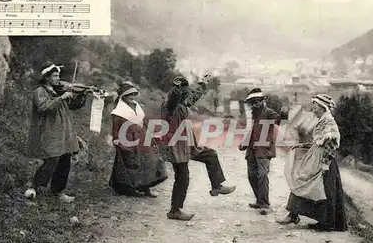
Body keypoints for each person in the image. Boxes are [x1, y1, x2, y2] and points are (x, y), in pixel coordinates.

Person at [160, 75, 236, 221]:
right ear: (179, 91)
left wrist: (202, 84)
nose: (187, 94)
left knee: (210, 154)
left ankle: (217, 185)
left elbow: (192, 96)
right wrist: (176, 88)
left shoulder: (182, 103)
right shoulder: (170, 105)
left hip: (187, 144)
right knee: (182, 177)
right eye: (184, 91)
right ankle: (174, 210)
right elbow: (173, 98)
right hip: (176, 146)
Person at [277, 94, 347, 232]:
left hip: (324, 162)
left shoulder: (329, 122)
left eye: (315, 108)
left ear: (323, 108)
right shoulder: (323, 121)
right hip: (317, 158)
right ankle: (295, 215)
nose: (313, 111)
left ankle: (326, 223)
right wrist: (302, 146)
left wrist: (325, 164)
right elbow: (318, 143)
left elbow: (332, 144)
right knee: (305, 183)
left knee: (321, 189)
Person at [25, 61, 88, 202]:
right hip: (49, 131)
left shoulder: (58, 91)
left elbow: (73, 106)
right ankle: (34, 186)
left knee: (65, 160)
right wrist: (61, 97)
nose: (58, 78)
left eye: (58, 75)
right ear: (46, 77)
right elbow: (44, 107)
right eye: (55, 75)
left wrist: (83, 96)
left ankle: (58, 192)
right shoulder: (39, 92)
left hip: (63, 132)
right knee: (51, 160)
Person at [108, 82, 168, 197]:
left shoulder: (137, 105)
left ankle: (146, 188)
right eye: (129, 95)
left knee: (148, 161)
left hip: (141, 136)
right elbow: (116, 127)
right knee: (130, 163)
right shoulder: (118, 111)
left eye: (133, 94)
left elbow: (143, 122)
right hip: (127, 137)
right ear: (123, 97)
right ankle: (129, 188)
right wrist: (116, 139)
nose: (131, 97)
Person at [239, 88, 283, 215]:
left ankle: (265, 204)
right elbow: (251, 130)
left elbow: (279, 120)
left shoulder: (269, 113)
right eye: (252, 102)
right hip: (252, 150)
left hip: (264, 150)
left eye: (257, 102)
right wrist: (244, 144)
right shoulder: (253, 114)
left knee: (262, 176)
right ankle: (259, 201)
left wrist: (284, 114)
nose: (254, 105)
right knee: (252, 176)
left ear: (262, 101)